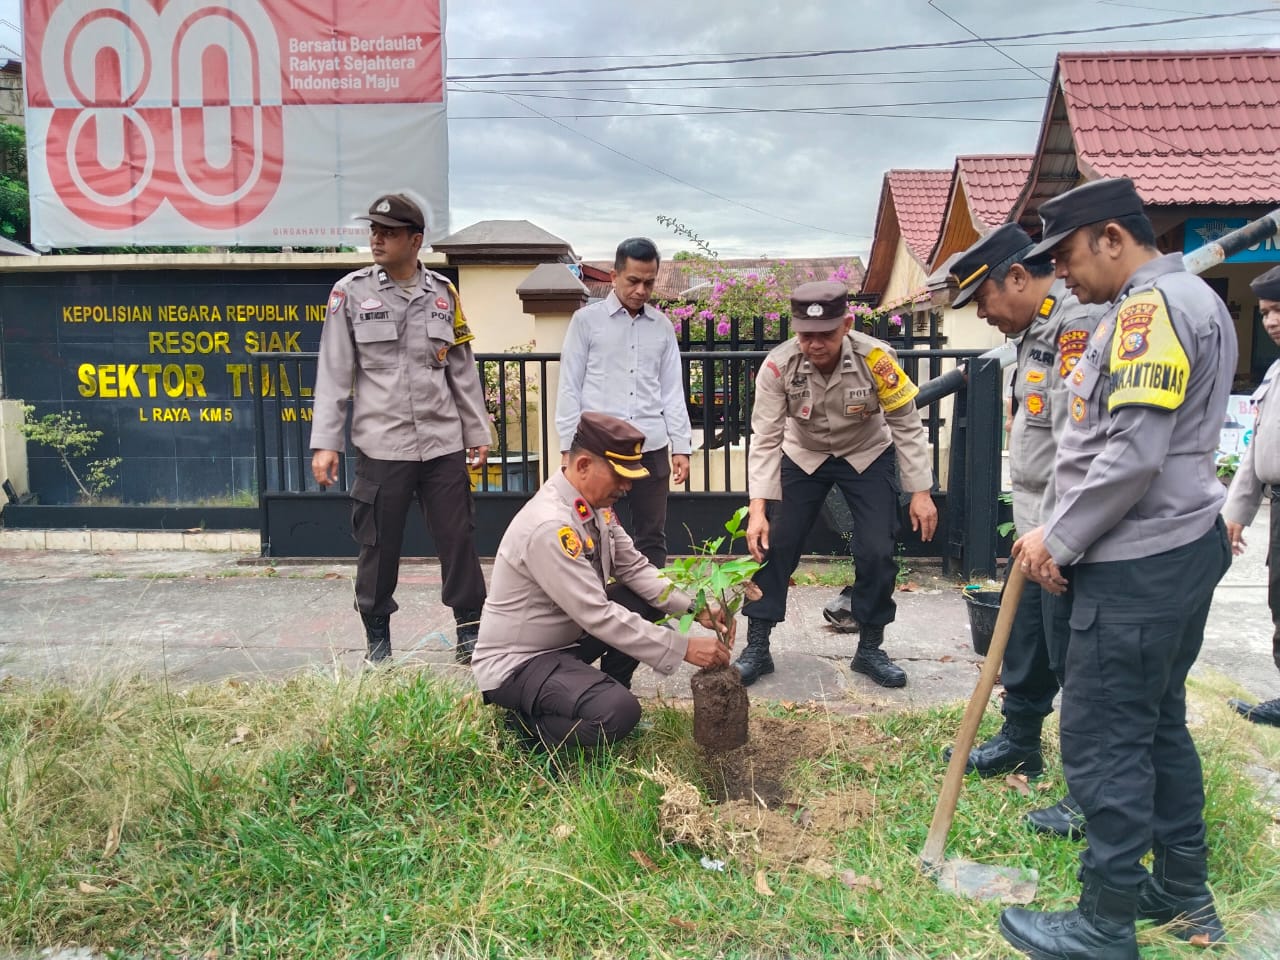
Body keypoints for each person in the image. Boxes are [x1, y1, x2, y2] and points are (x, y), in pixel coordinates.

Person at [1001, 177, 1235, 958]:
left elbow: (1130, 455)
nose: (1062, 274)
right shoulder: (1194, 301)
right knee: (1159, 722)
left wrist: (1054, 540)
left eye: (1066, 255)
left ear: (1110, 237)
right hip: (1175, 550)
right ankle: (1181, 891)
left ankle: (1104, 923)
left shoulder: (1148, 311)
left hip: (1138, 562)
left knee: (1106, 740)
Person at [940, 223, 1104, 841]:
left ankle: (1092, 795)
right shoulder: (1035, 332)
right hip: (1036, 527)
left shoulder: (1077, 328)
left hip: (1068, 534)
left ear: (1016, 277)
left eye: (983, 300)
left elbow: (1085, 450)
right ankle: (1021, 741)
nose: (982, 314)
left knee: (1078, 663)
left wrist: (1060, 538)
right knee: (1028, 644)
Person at [471, 412, 734, 751]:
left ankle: (605, 688)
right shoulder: (550, 526)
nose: (627, 487)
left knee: (641, 599)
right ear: (583, 465)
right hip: (520, 662)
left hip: (564, 640)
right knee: (618, 713)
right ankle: (524, 727)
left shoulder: (594, 507)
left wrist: (698, 608)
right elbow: (597, 614)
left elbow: (636, 568)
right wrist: (682, 648)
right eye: (620, 476)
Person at [310, 193, 489, 665]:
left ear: (415, 240)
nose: (377, 239)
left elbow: (461, 369)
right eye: (373, 231)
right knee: (378, 544)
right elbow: (333, 372)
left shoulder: (443, 295)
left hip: (442, 442)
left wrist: (478, 431)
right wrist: (326, 442)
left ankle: (469, 632)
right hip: (382, 445)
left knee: (458, 537)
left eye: (388, 233)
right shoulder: (349, 294)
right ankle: (378, 641)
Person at [736, 280, 937, 688]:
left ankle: (870, 649)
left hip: (866, 453)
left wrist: (920, 491)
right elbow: (766, 438)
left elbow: (907, 424)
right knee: (777, 543)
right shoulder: (778, 365)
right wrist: (758, 510)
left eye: (825, 334)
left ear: (846, 324)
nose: (814, 344)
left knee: (878, 550)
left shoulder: (877, 359)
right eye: (805, 335)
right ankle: (757, 645)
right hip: (804, 454)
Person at [556, 238, 692, 569]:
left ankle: (651, 617)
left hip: (651, 445)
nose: (641, 290)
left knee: (651, 536)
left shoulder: (661, 327)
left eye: (649, 282)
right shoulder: (586, 322)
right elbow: (570, 386)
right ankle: (594, 612)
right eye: (633, 280)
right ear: (614, 276)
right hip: (599, 448)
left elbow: (673, 390)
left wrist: (681, 447)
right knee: (592, 531)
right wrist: (566, 447)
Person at [1223, 264, 1280, 727]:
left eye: (1279, 310)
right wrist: (1237, 510)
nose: (1272, 322)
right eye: (1264, 313)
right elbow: (1257, 448)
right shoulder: (1277, 371)